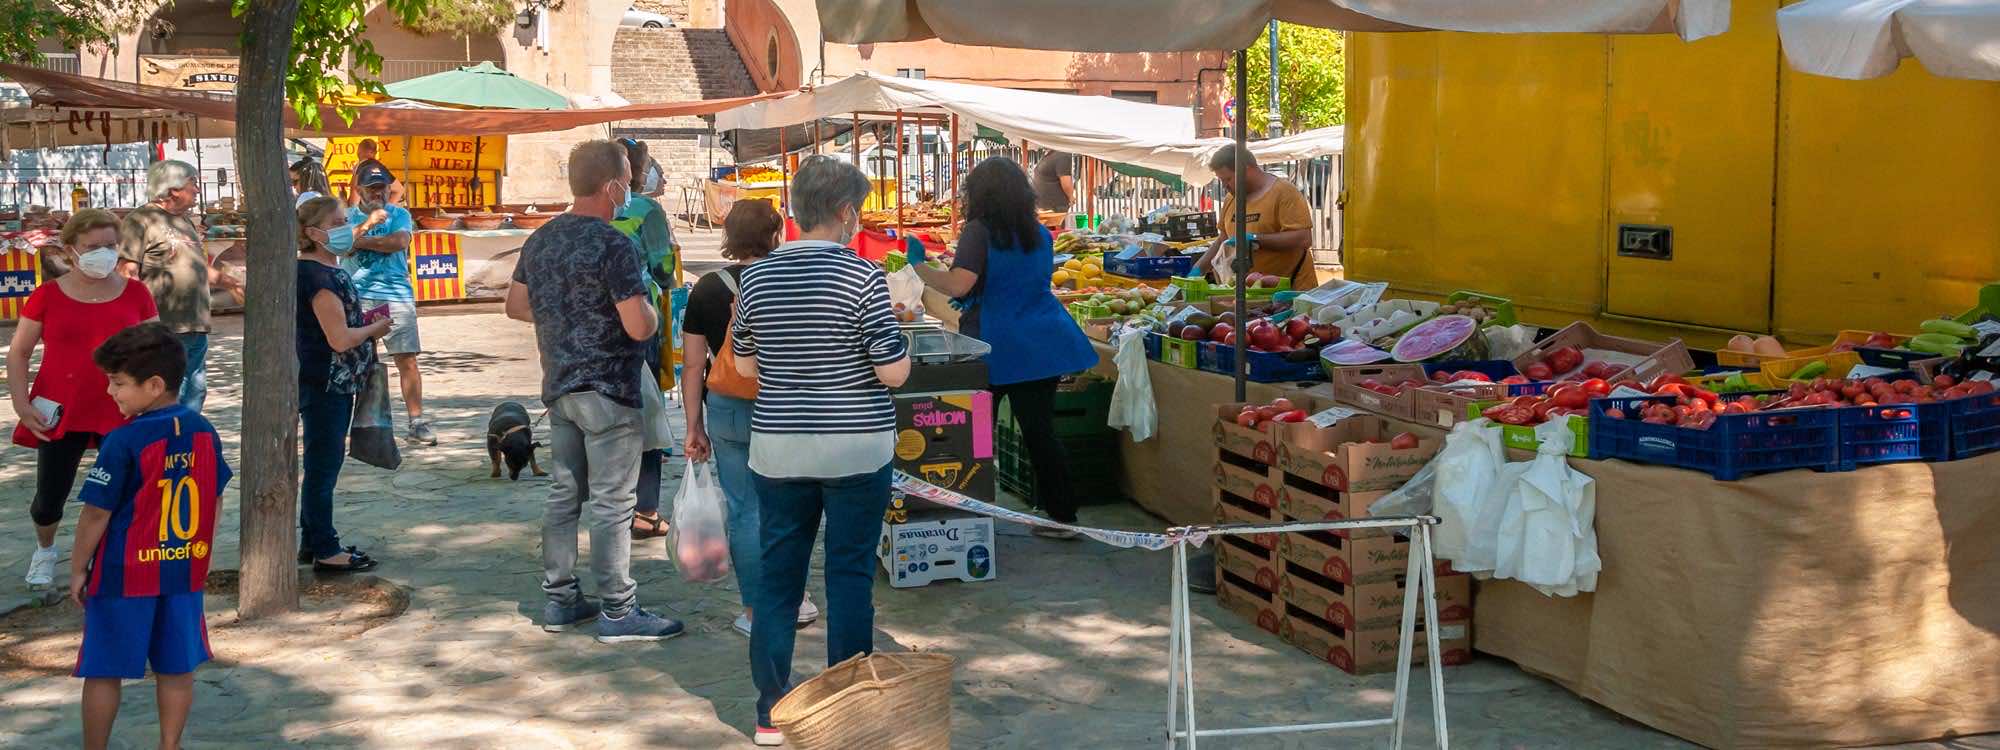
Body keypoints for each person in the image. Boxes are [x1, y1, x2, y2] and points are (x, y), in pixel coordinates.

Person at [730, 156, 912, 747]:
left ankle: (769, 714)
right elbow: (892, 373)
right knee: (850, 577)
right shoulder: (862, 278)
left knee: (778, 585)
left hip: (779, 452)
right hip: (856, 452)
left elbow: (745, 366)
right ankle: (846, 710)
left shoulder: (753, 280)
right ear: (843, 212)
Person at [507, 139, 684, 643]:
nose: (629, 189)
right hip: (609, 389)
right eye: (627, 181)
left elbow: (516, 306)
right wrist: (647, 312)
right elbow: (638, 326)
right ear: (612, 186)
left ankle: (560, 599)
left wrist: (567, 319)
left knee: (564, 496)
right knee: (612, 502)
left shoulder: (541, 240)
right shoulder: (613, 244)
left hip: (560, 387)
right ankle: (617, 609)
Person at [911, 158, 1097, 537]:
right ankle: (1062, 518)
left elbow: (958, 284)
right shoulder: (1039, 233)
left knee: (974, 435)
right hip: (1041, 341)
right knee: (1040, 433)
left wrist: (920, 267)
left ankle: (970, 511)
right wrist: (980, 293)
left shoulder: (979, 231)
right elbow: (1016, 280)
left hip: (992, 346)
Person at [69, 322, 232, 750]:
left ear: (155, 384)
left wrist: (76, 568)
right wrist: (204, 553)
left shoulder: (124, 440)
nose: (110, 392)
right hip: (183, 570)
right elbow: (214, 499)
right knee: (176, 666)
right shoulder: (204, 431)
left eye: (118, 383)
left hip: (124, 574)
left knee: (103, 668)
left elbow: (95, 513)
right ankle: (169, 744)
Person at [680, 200, 819, 639]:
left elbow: (691, 365)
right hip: (784, 406)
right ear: (776, 235)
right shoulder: (795, 280)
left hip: (727, 409)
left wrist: (692, 426)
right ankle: (793, 598)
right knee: (791, 506)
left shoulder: (706, 289)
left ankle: (757, 611)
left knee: (744, 510)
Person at [10, 209, 159, 587]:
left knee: (123, 488)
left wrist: (157, 400)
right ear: (71, 249)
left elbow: (157, 349)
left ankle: (112, 555)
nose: (104, 253)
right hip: (60, 407)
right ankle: (45, 550)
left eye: (110, 245)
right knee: (50, 496)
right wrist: (21, 403)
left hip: (122, 407)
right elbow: (19, 351)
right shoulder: (47, 295)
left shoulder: (136, 293)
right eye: (93, 247)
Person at [295, 197, 392, 572]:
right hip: (325, 383)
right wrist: (375, 328)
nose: (345, 228)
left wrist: (363, 321)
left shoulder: (326, 271)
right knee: (323, 465)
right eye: (337, 222)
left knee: (323, 463)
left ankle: (314, 539)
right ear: (314, 232)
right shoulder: (317, 277)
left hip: (334, 380)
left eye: (345, 220)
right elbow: (338, 338)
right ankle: (325, 547)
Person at [118, 160, 239, 412]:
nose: (196, 190)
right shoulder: (141, 220)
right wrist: (139, 326)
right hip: (164, 327)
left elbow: (192, 264)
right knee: (169, 396)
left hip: (195, 325)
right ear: (173, 190)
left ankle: (186, 444)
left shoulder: (183, 222)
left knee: (194, 393)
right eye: (192, 183)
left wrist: (225, 281)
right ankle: (166, 445)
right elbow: (127, 272)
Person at [614, 137, 679, 539]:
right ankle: (646, 509)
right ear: (639, 170)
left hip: (595, 326)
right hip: (641, 317)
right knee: (648, 412)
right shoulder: (645, 210)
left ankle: (614, 502)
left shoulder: (579, 213)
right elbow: (663, 268)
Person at [345, 165, 436, 445]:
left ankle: (416, 422)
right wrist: (366, 230)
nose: (378, 192)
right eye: (372, 188)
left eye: (382, 187)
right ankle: (358, 426)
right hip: (357, 295)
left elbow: (398, 242)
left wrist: (361, 241)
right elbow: (342, 245)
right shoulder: (346, 217)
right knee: (354, 362)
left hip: (396, 294)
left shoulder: (401, 214)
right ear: (359, 190)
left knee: (406, 359)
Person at [1193, 145, 1320, 290]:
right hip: (1251, 293)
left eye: (1227, 179)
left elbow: (1303, 238)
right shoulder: (1231, 199)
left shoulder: (1284, 193)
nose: (1224, 186)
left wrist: (1255, 239)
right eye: (1221, 181)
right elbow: (1223, 239)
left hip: (1291, 290)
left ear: (1245, 168)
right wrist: (1198, 270)